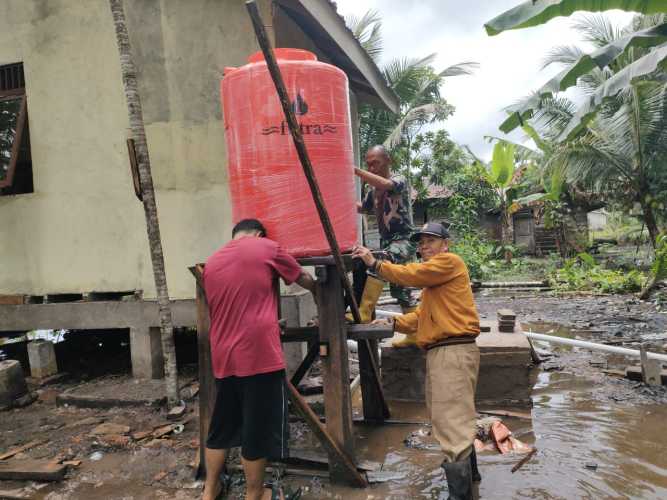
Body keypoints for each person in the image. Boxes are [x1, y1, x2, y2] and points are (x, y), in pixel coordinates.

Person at [352, 221, 481, 500]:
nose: (424, 247)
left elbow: (413, 274)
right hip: (443, 351)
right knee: (449, 418)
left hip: (452, 351)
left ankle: (461, 496)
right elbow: (421, 318)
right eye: (421, 243)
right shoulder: (436, 283)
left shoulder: (448, 263)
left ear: (445, 244)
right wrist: (391, 323)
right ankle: (472, 482)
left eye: (430, 241)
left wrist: (376, 265)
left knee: (450, 420)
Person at [202, 219, 316, 500]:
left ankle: (210, 490)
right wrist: (322, 291)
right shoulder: (266, 247)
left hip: (224, 356)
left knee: (222, 426)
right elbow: (303, 278)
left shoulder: (212, 262)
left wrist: (265, 321)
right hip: (257, 356)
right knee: (257, 429)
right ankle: (256, 495)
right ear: (259, 234)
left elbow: (235, 307)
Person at [353, 145, 418, 347]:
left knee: (381, 260)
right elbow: (362, 208)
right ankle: (414, 334)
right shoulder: (373, 192)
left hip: (404, 239)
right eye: (368, 164)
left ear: (388, 161)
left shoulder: (399, 180)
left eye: (376, 163)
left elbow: (385, 184)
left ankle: (364, 310)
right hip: (387, 241)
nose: (371, 168)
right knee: (401, 288)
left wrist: (354, 170)